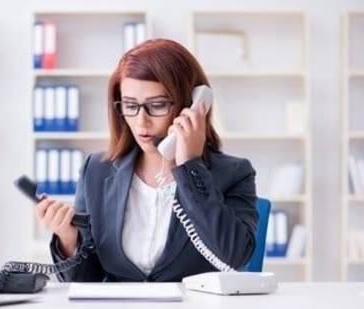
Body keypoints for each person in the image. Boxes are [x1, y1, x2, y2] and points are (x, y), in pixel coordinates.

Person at [35, 38, 258, 282]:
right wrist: (68, 239)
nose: (141, 122)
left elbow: (236, 257)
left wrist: (190, 166)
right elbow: (86, 282)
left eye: (157, 105)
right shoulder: (97, 170)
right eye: (130, 106)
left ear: (193, 106)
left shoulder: (234, 173)